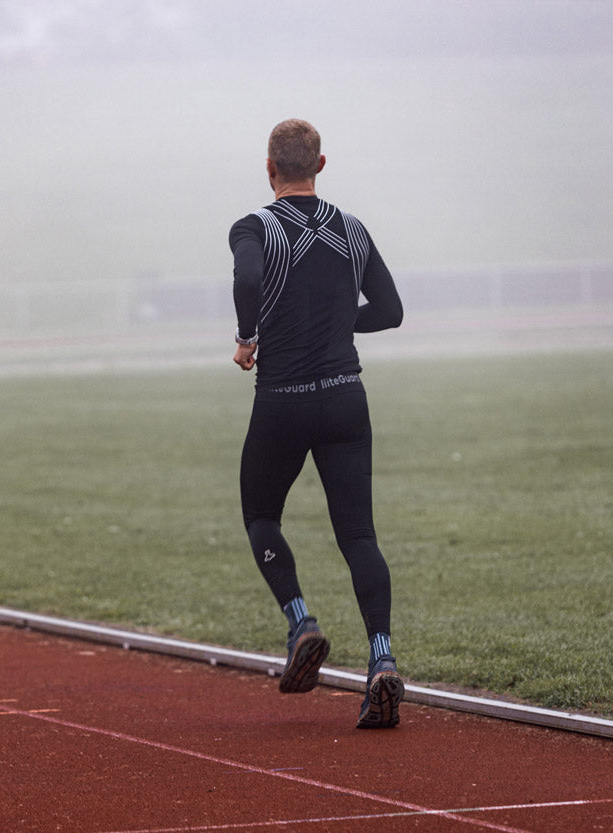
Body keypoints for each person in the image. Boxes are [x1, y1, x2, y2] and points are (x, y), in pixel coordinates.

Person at [229, 118, 405, 729]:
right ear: (321, 165)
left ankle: (301, 621)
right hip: (345, 397)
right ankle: (381, 661)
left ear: (270, 168)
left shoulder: (253, 227)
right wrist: (335, 325)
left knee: (260, 515)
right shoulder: (351, 230)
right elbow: (390, 311)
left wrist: (248, 337)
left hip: (284, 399)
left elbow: (250, 278)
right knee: (359, 537)